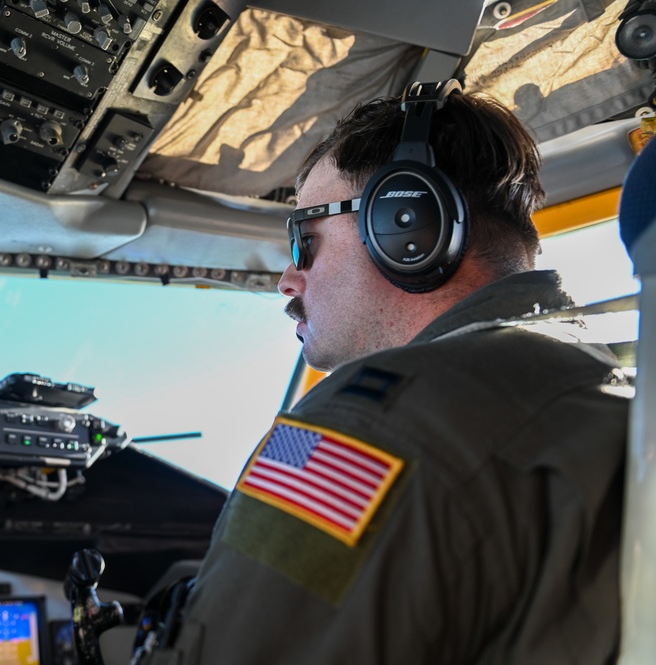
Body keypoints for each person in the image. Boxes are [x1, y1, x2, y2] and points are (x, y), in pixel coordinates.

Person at [139, 81, 630, 664]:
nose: (288, 280)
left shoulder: (362, 422)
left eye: (305, 241)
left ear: (407, 225)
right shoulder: (606, 385)